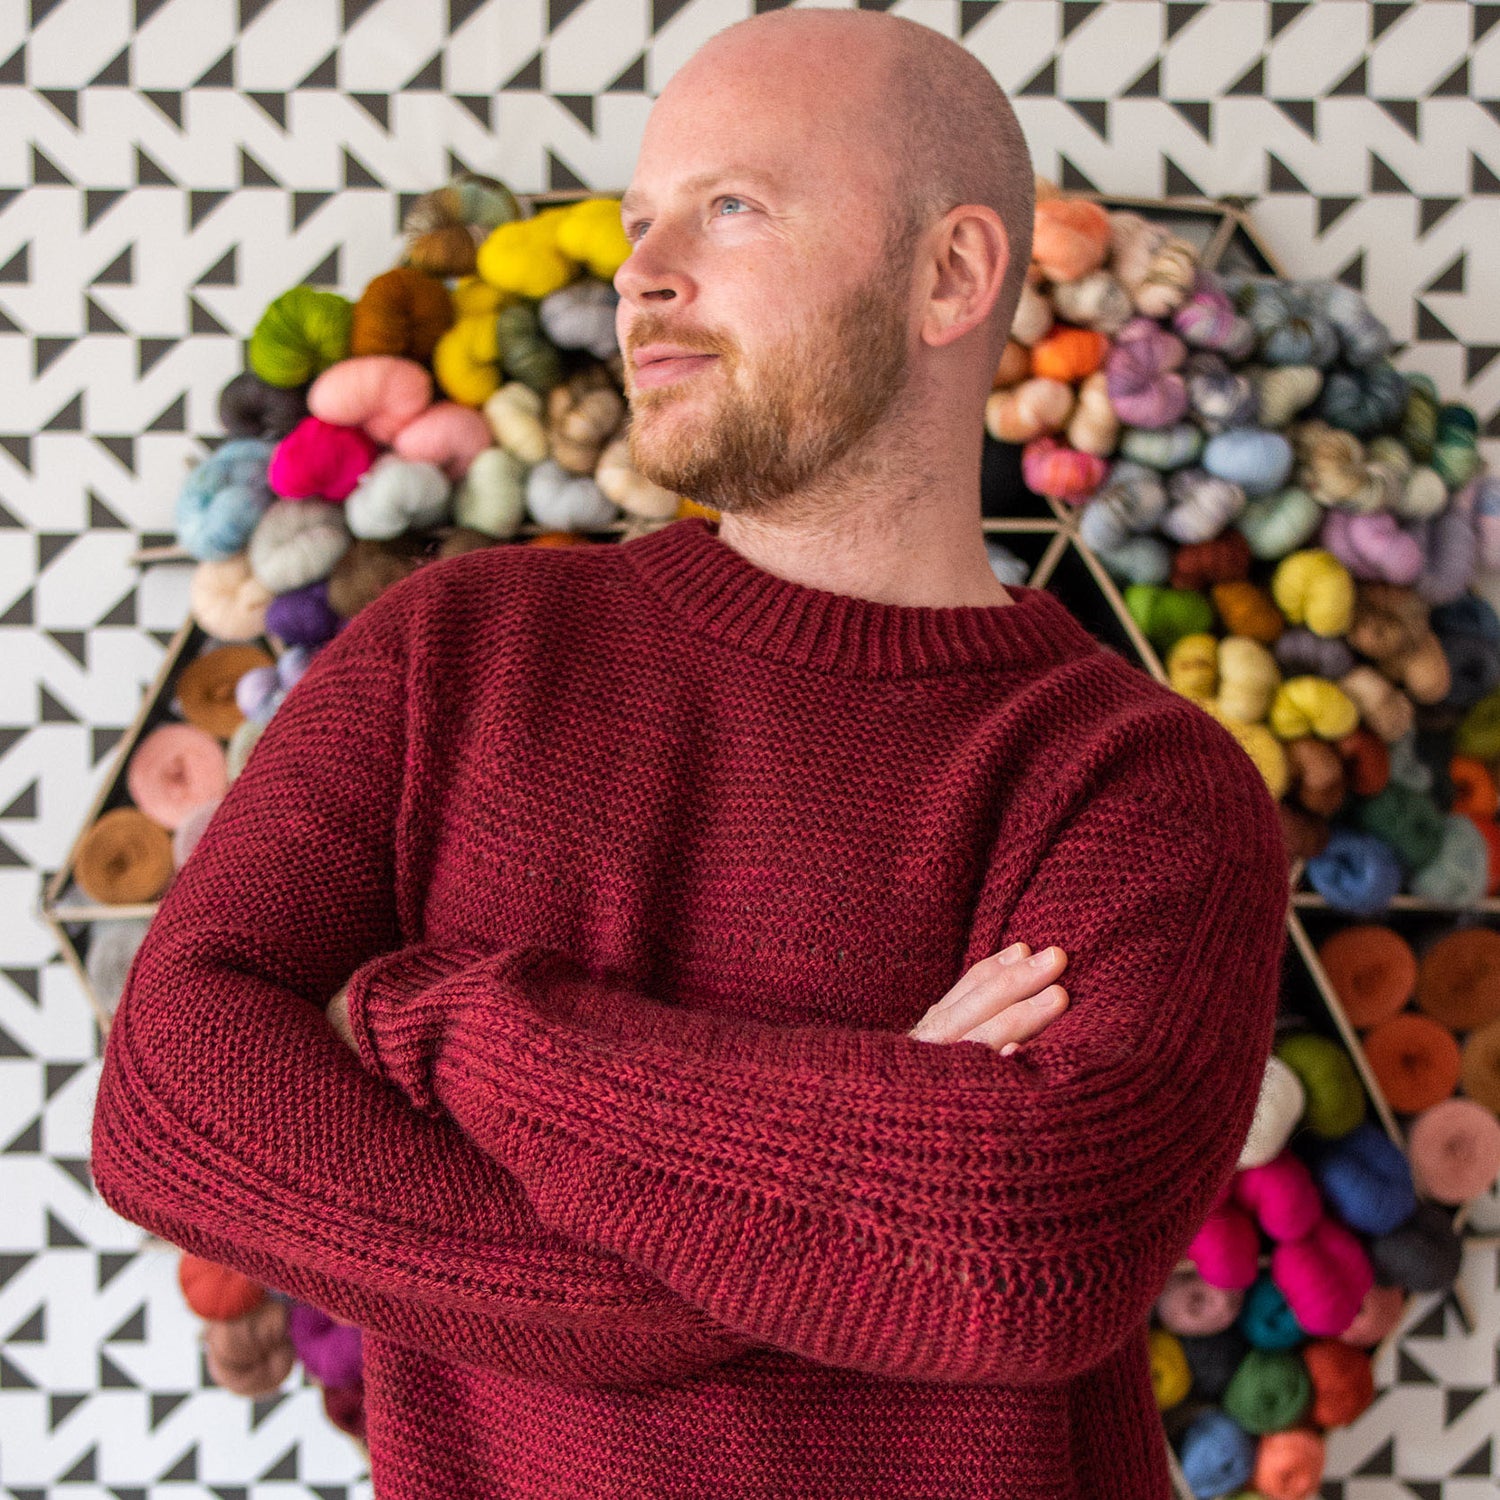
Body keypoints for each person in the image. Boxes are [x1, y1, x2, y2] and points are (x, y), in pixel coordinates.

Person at [91, 8, 1290, 1498]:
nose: (641, 273)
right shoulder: (453, 648)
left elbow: (1019, 1252)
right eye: (638, 220)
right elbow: (169, 1101)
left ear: (951, 274)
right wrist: (834, 1201)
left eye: (732, 207)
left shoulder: (1144, 783)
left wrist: (443, 1024)